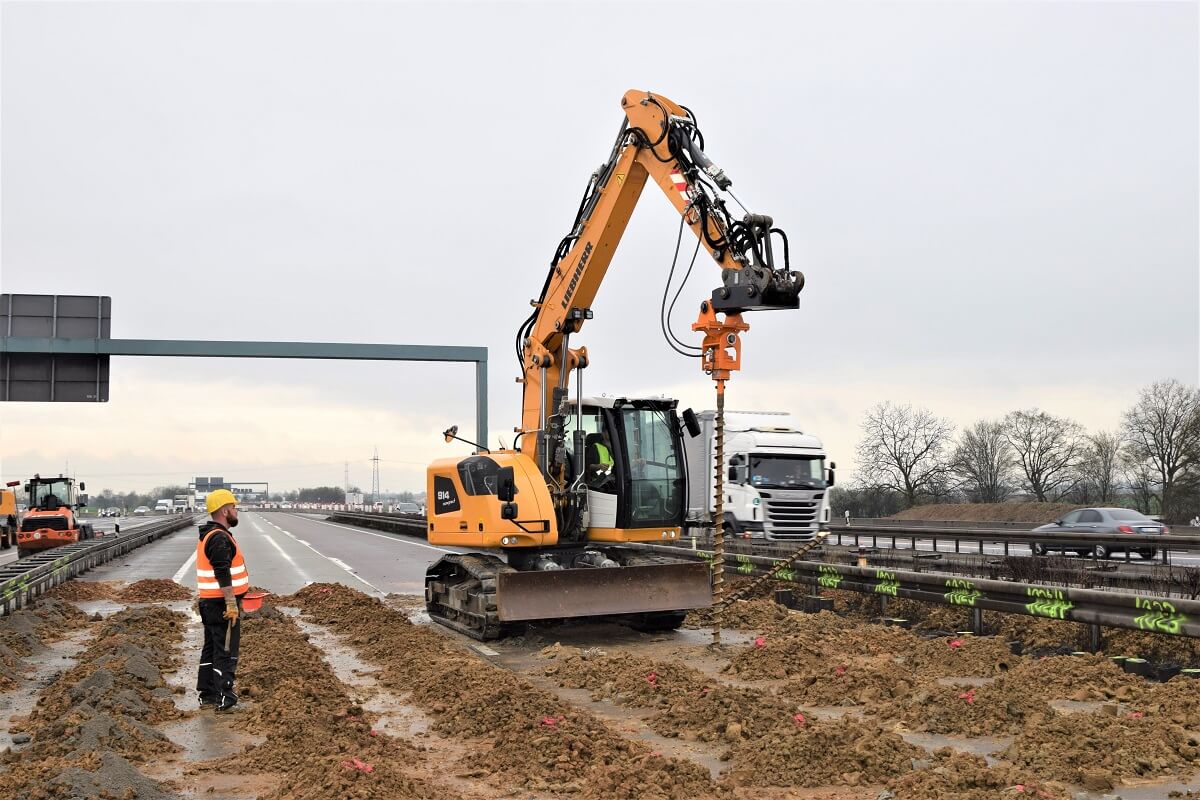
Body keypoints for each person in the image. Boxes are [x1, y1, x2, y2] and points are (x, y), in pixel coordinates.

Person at [195, 489, 249, 712]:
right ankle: (225, 697)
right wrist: (230, 603)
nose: (236, 511)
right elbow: (222, 571)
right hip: (221, 606)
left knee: (211, 648)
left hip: (210, 603)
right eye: (234, 507)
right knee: (225, 651)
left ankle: (207, 693)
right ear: (225, 510)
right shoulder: (218, 537)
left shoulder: (211, 534)